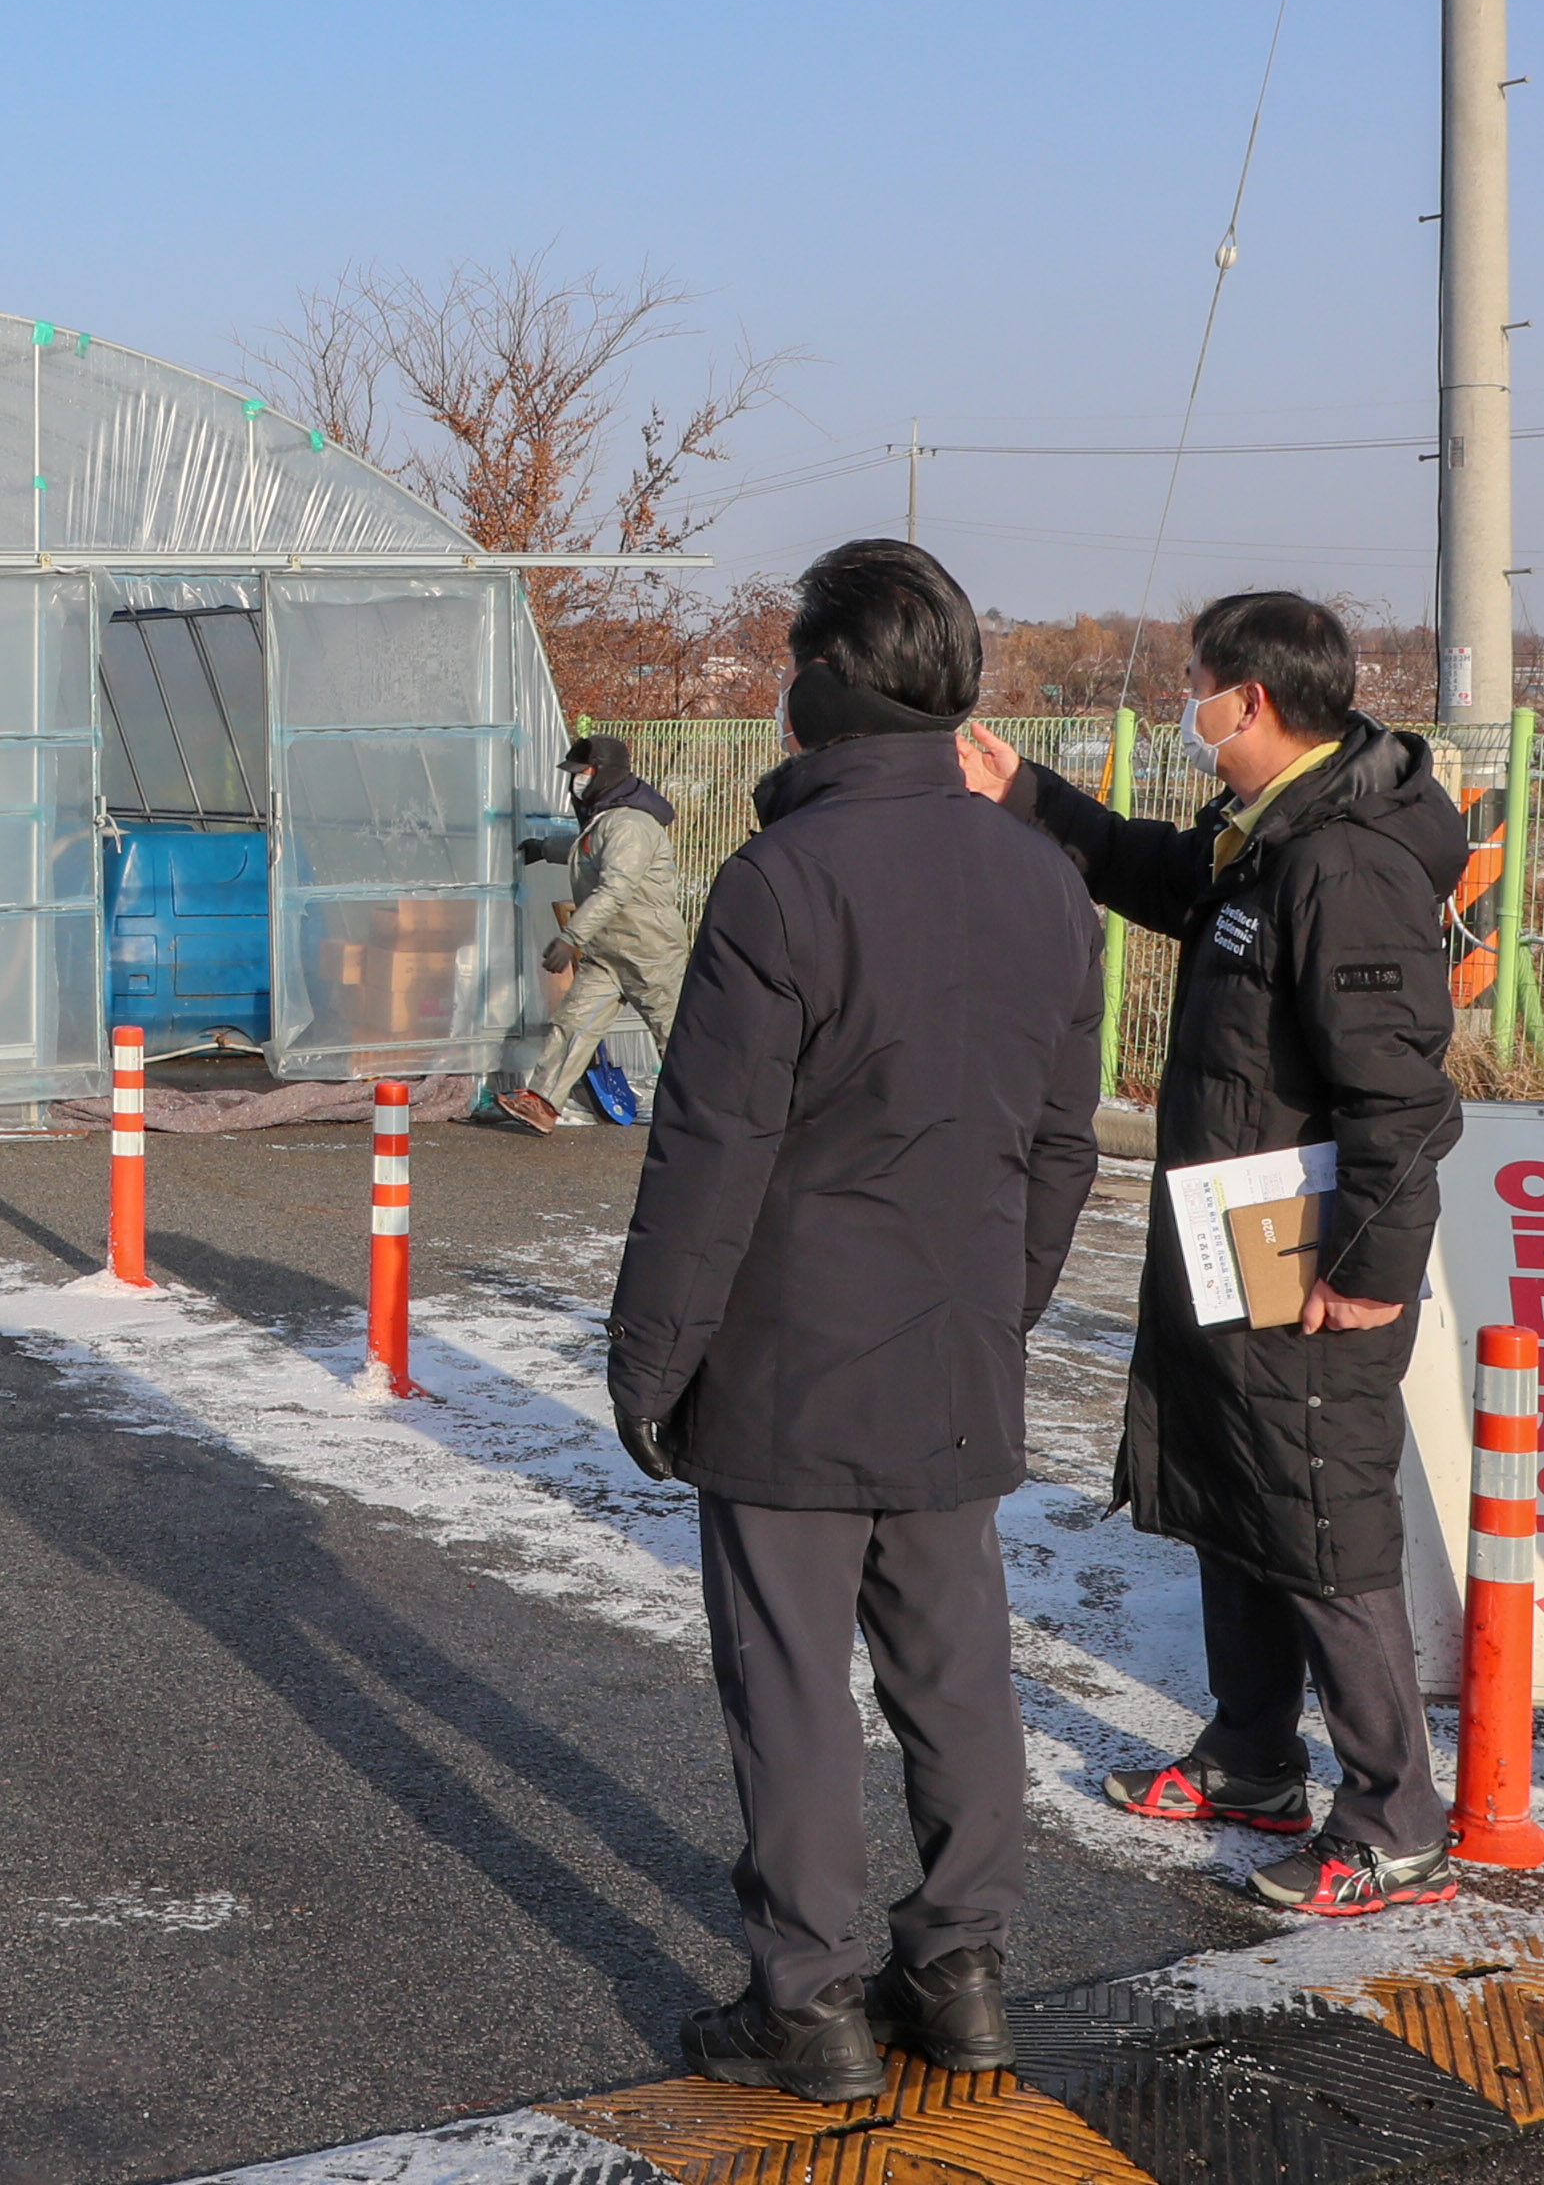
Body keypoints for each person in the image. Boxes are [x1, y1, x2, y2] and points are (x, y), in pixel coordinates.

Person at [609, 540, 1103, 2100]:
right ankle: (960, 1972)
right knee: (956, 1669)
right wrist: (1000, 1306)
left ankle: (810, 1997)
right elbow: (1064, 1138)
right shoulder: (1043, 873)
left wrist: (652, 1357)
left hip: (790, 1355)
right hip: (956, 1342)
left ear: (823, 686)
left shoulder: (783, 879)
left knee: (791, 1678)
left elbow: (713, 1146)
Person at [955, 591, 1466, 1919]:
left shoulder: (1343, 864)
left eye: (1198, 684)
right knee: (1239, 1498)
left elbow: (1402, 1101)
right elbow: (1170, 884)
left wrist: (1368, 1266)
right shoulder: (1266, 837)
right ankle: (1251, 1760)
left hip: (1312, 1262)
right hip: (1234, 1243)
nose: (1186, 705)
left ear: (1251, 700)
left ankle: (1396, 1818)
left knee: (1320, 1516)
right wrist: (1034, 797)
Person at [500, 733, 689, 1133]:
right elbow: (588, 849)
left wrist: (572, 938)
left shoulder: (632, 823)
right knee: (572, 1023)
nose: (576, 781)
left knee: (674, 1035)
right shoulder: (609, 816)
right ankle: (543, 1102)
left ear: (605, 774)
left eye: (582, 773)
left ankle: (703, 1115)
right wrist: (545, 848)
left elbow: (615, 887)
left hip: (650, 950)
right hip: (608, 950)